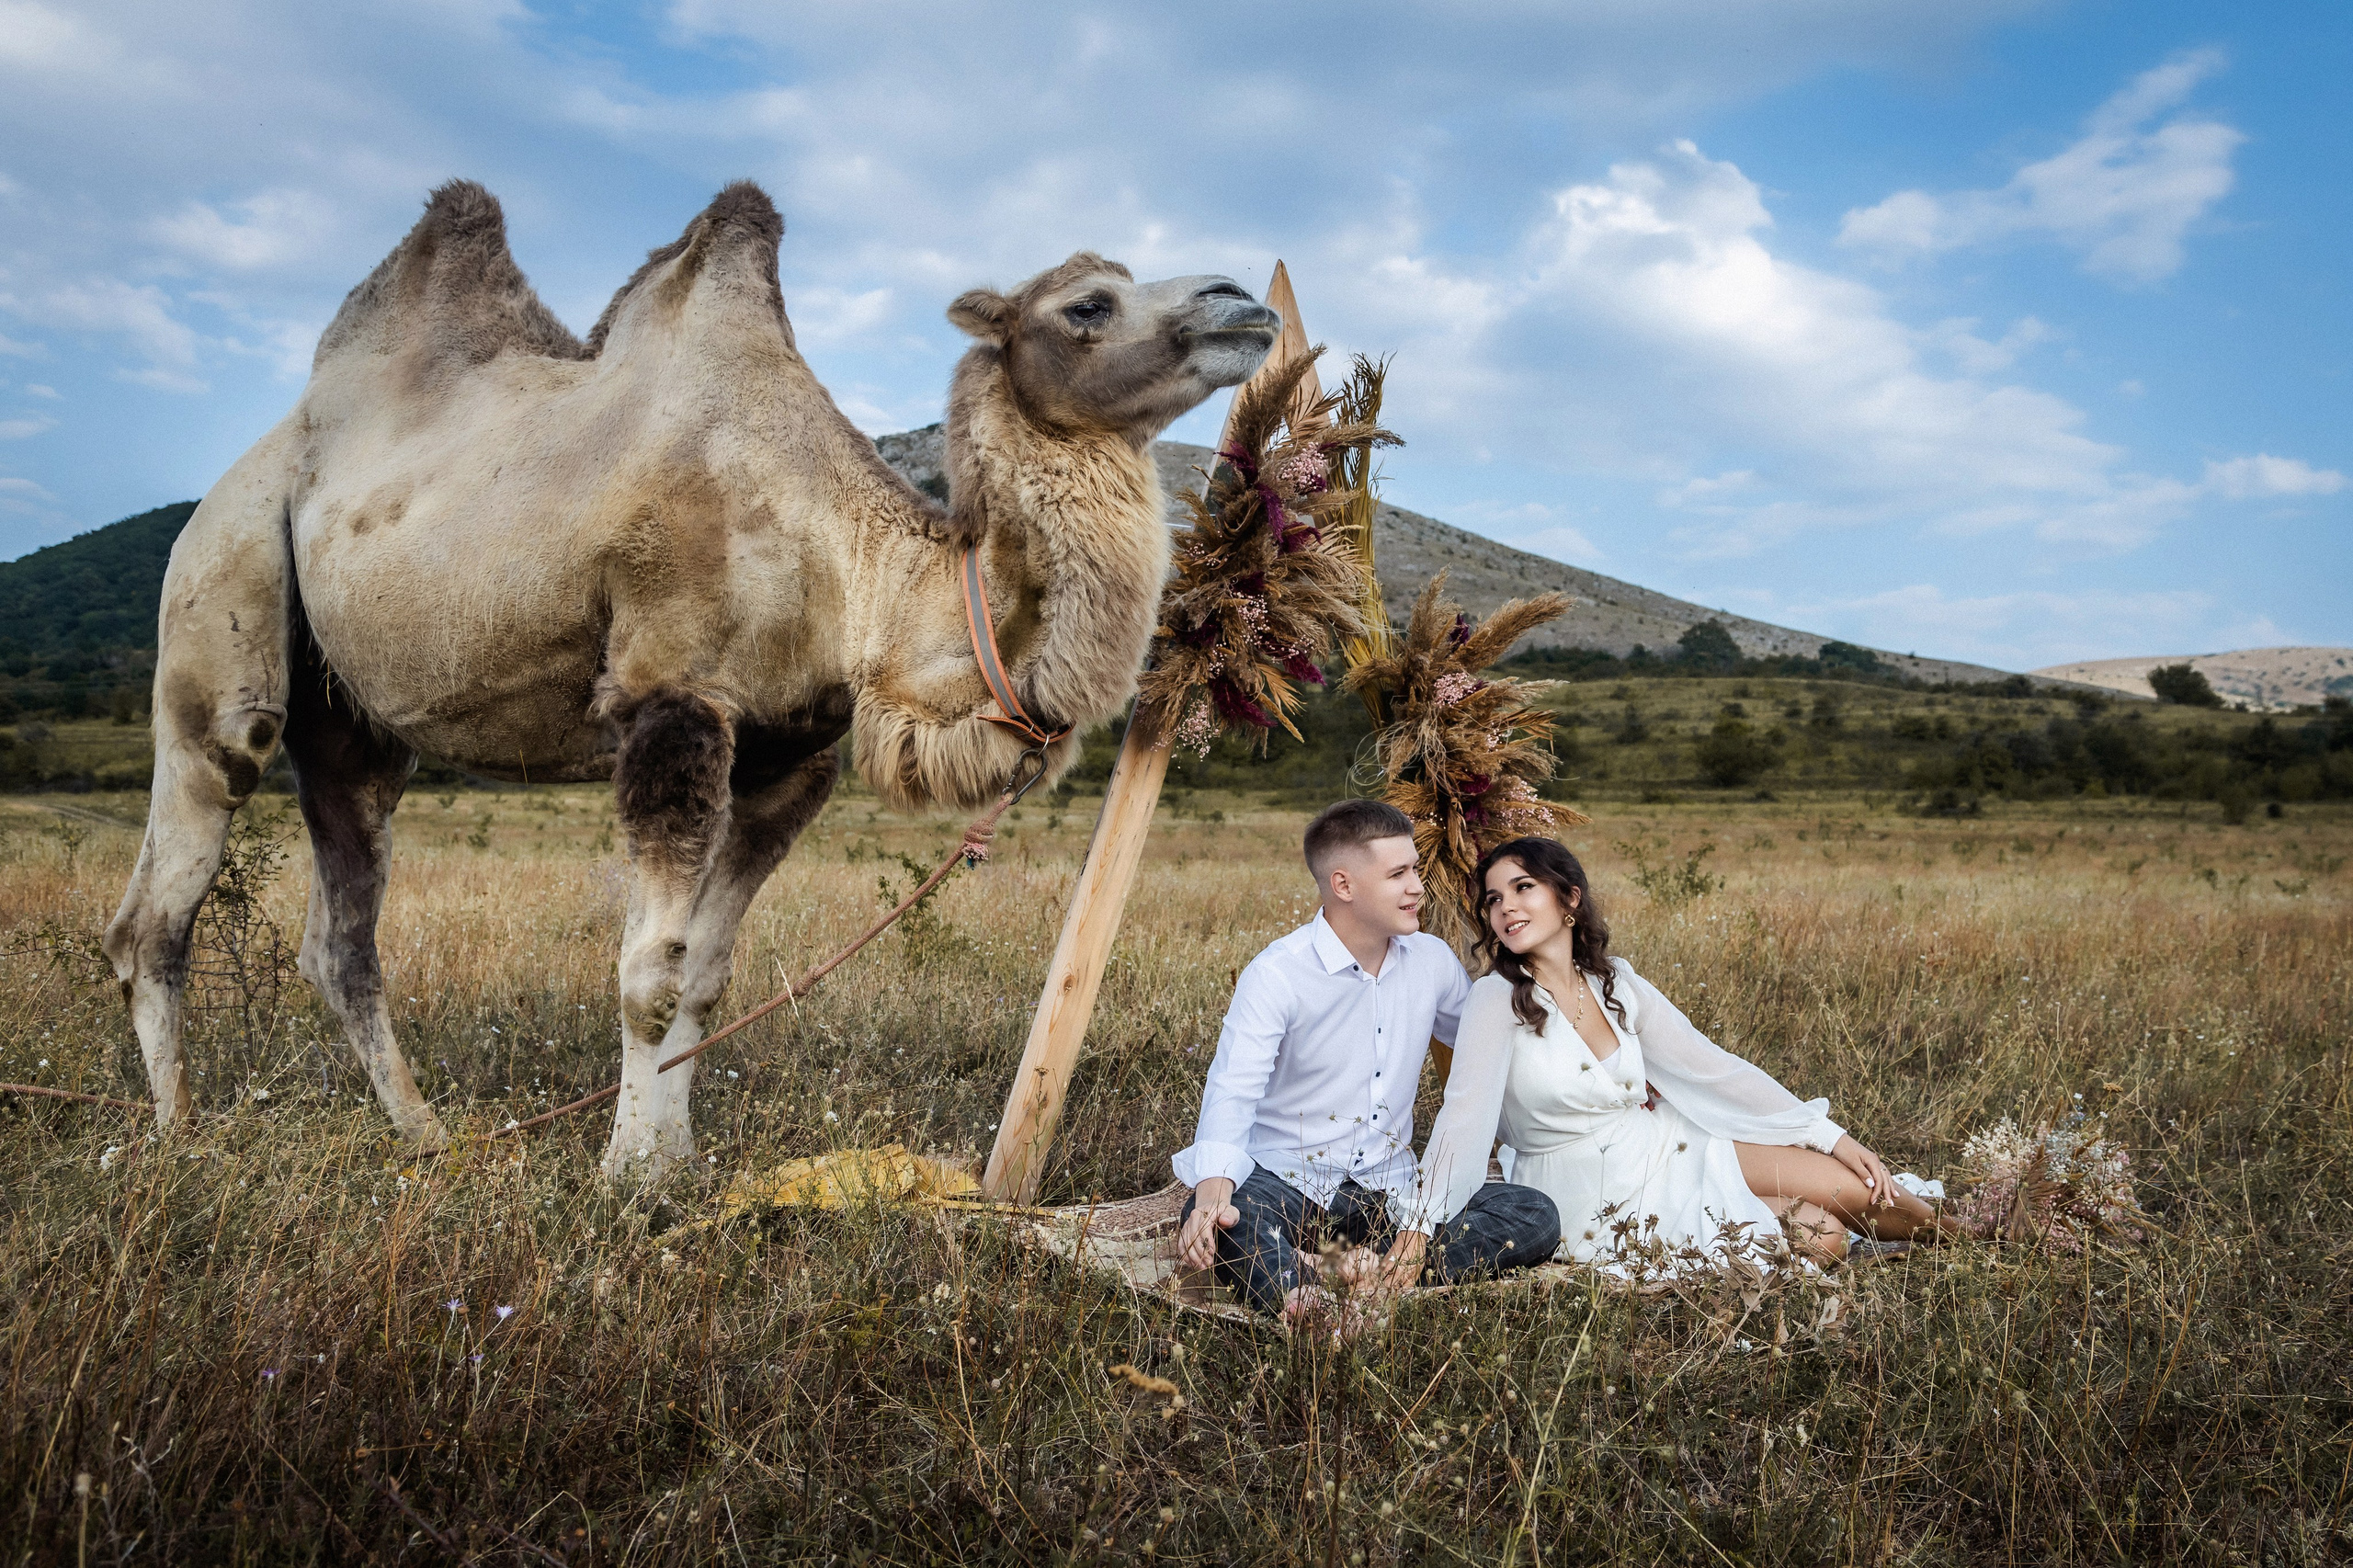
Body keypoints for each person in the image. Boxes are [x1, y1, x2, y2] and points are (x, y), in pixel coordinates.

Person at [1407, 835, 1960, 1270]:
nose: (1506, 908)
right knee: (1823, 1236)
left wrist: (1834, 1137)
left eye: (1523, 887)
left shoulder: (1614, 981)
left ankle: (1980, 1236)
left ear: (1569, 897)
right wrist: (1416, 1233)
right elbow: (1463, 1119)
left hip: (1665, 1143)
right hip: (1591, 1194)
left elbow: (1712, 1069)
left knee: (1845, 1183)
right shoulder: (1496, 999)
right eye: (1495, 899)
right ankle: (1972, 1236)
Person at [1173, 801, 1561, 1317]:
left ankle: (1358, 1270)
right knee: (1229, 1220)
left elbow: (1494, 1042)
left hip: (1389, 1189)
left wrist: (1607, 1065)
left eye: (1416, 870)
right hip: (1290, 1181)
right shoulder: (1277, 973)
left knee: (1532, 1214)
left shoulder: (1431, 961)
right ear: (1344, 885)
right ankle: (1303, 1297)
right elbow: (1232, 1091)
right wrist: (1211, 1197)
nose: (1417, 888)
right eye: (1398, 874)